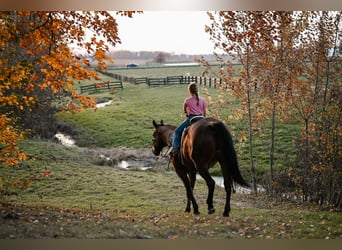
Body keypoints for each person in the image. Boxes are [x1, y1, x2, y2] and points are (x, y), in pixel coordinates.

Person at [170, 82, 208, 157]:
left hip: (192, 119)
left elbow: (184, 109)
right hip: (201, 119)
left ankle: (175, 148)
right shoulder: (203, 99)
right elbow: (204, 112)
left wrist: (187, 112)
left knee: (177, 131)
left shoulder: (187, 100)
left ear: (189, 91)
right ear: (197, 90)